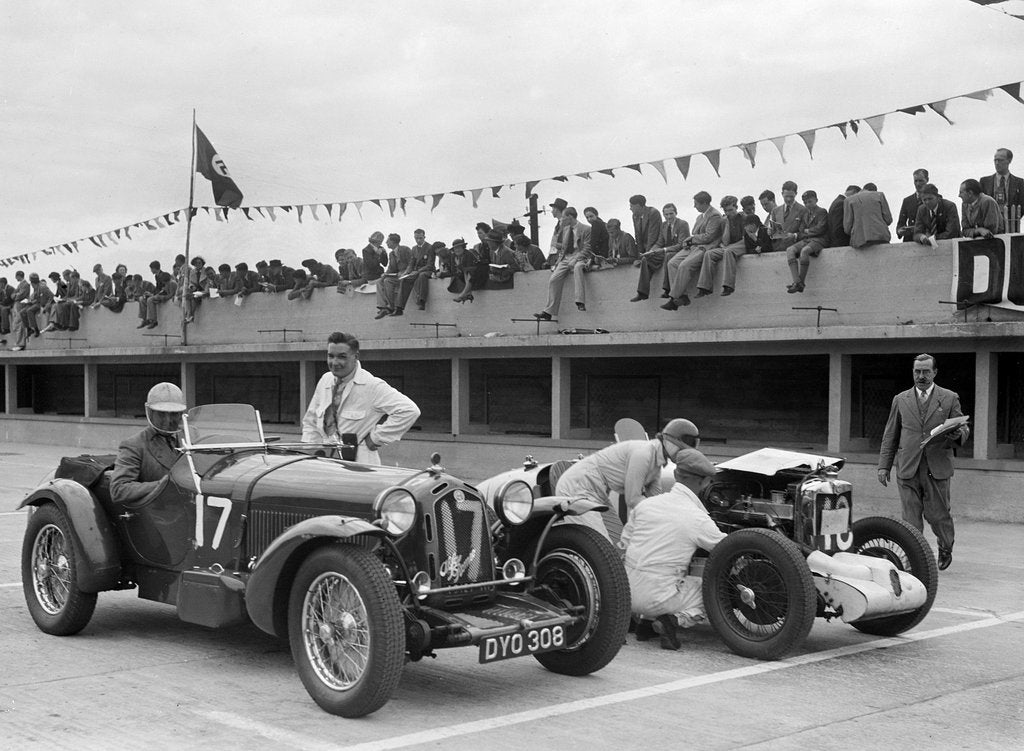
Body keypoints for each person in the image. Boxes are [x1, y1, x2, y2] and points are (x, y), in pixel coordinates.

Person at [621, 427, 723, 650]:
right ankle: (671, 622)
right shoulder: (698, 519)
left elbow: (623, 544)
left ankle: (644, 624)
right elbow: (729, 548)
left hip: (626, 593)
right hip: (659, 597)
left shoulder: (645, 505)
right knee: (708, 588)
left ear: (676, 475)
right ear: (706, 482)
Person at [878, 354, 969, 571]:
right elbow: (890, 435)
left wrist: (957, 434)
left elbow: (962, 428)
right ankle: (914, 559)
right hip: (908, 467)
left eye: (926, 371)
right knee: (910, 520)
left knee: (938, 516)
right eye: (917, 371)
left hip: (936, 467)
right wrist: (883, 465)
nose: (921, 376)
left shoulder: (949, 398)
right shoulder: (901, 399)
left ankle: (945, 546)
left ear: (934, 373)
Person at [553, 418, 694, 540]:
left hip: (596, 490)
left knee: (608, 546)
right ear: (671, 442)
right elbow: (633, 499)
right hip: (580, 486)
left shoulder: (656, 462)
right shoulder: (643, 454)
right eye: (683, 449)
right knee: (599, 547)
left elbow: (655, 500)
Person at [301, 332, 421, 465]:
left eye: (342, 357)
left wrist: (375, 438)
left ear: (355, 357)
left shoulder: (372, 386)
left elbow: (409, 411)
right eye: (331, 356)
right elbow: (311, 421)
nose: (334, 363)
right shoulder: (325, 380)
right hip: (324, 463)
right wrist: (308, 453)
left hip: (359, 466)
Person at [109, 382, 186, 505]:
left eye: (174, 414)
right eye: (161, 414)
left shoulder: (190, 438)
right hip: (159, 513)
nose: (168, 420)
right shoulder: (134, 445)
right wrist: (164, 486)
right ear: (150, 412)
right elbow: (119, 490)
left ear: (181, 414)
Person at [662, 191, 724, 309]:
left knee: (685, 265)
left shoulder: (714, 215)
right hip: (695, 246)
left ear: (704, 203)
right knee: (672, 263)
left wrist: (692, 239)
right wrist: (689, 240)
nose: (694, 206)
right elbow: (695, 233)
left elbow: (709, 237)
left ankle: (674, 298)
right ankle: (683, 296)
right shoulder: (700, 216)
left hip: (706, 247)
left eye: (696, 203)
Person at [534, 207, 592, 319]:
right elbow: (564, 248)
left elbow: (587, 248)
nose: (562, 220)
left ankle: (580, 301)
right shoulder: (565, 229)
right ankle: (549, 311)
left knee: (577, 269)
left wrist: (576, 259)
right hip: (566, 258)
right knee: (553, 279)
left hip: (580, 256)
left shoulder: (586, 229)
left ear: (570, 217)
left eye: (564, 218)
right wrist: (558, 262)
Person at [693, 195, 747, 298]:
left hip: (743, 244)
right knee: (709, 254)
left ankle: (728, 286)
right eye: (726, 211)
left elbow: (746, 238)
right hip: (730, 246)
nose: (728, 213)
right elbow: (725, 242)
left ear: (736, 207)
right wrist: (726, 223)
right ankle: (705, 287)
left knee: (728, 251)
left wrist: (729, 246)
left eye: (731, 210)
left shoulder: (744, 218)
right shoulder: (724, 220)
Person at [784, 190, 830, 293]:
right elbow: (801, 230)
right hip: (808, 239)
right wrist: (808, 232)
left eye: (810, 201)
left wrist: (808, 231)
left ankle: (801, 283)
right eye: (805, 202)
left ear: (816, 200)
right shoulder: (805, 214)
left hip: (820, 240)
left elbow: (821, 229)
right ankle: (797, 282)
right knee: (790, 250)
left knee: (804, 251)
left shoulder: (822, 212)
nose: (807, 204)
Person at [843, 181, 892, 248]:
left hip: (859, 241)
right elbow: (888, 219)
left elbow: (847, 227)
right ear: (874, 191)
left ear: (863, 188)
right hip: (880, 237)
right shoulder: (879, 195)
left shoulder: (848, 200)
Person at [979, 147, 1024, 220]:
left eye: (1000, 160)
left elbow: (1022, 205)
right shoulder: (984, 181)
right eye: (995, 160)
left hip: (1011, 224)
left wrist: (1013, 219)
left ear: (1009, 161)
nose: (997, 163)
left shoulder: (1020, 182)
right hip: (990, 225)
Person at [767, 181, 808, 252]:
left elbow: (805, 232)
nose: (789, 199)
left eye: (791, 196)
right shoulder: (775, 211)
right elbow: (772, 232)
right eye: (786, 196)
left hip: (795, 251)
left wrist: (794, 235)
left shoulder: (803, 210)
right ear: (782, 194)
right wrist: (770, 232)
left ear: (796, 194)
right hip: (777, 251)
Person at [896, 169, 929, 242]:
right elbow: (901, 223)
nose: (918, 184)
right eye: (916, 181)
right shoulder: (907, 201)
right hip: (910, 240)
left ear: (927, 180)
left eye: (921, 181)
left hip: (928, 239)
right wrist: (900, 231)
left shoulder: (936, 199)